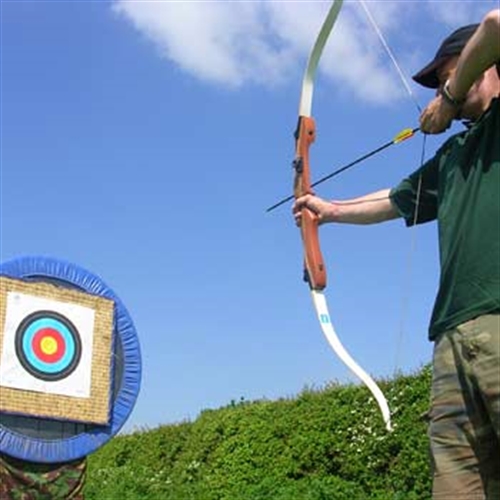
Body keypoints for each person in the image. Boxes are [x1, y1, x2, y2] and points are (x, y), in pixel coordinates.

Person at [293, 9, 500, 500]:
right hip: (451, 338)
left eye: (445, 75)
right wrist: (328, 210)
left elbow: (496, 22)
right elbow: (394, 201)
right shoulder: (452, 157)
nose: (438, 90)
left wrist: (449, 99)